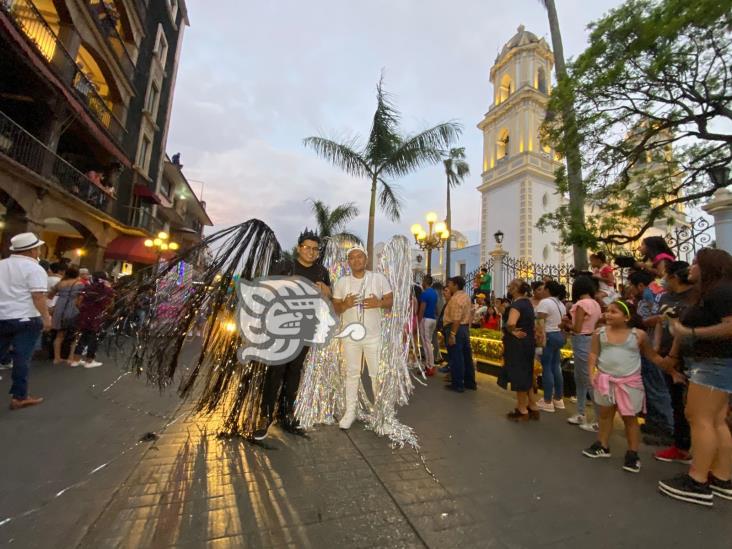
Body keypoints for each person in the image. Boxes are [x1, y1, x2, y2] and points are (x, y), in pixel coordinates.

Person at [659, 248, 732, 506]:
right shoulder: (712, 292)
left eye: (696, 262)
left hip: (713, 363)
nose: (690, 266)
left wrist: (690, 332)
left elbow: (729, 326)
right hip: (711, 363)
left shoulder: (721, 292)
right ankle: (722, 475)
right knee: (716, 420)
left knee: (700, 418)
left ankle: (698, 480)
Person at [256, 229, 331, 439]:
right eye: (307, 247)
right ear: (299, 248)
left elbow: (328, 298)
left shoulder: (321, 272)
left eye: (315, 249)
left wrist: (327, 291)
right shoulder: (285, 266)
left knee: (295, 372)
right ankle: (265, 415)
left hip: (306, 328)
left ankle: (286, 414)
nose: (311, 251)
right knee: (275, 371)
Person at [582, 300, 668, 474]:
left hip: (629, 384)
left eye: (614, 312)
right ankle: (602, 445)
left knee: (630, 418)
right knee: (605, 415)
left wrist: (671, 370)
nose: (607, 314)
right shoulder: (599, 333)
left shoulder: (638, 335)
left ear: (627, 317)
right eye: (607, 311)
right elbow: (593, 354)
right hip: (605, 381)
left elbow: (652, 356)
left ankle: (632, 453)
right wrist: (592, 372)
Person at [333, 246, 393, 429]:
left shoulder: (378, 279)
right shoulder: (342, 282)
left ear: (366, 260)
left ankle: (382, 415)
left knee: (376, 375)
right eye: (352, 258)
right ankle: (350, 412)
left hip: (373, 336)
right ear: (348, 262)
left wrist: (379, 303)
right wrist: (345, 303)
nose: (356, 260)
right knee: (351, 374)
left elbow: (390, 301)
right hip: (350, 337)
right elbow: (336, 308)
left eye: (360, 257)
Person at [0, 232, 51, 409]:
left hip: (2, 317)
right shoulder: (35, 269)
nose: (38, 251)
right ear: (31, 250)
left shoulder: (1, 265)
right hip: (26, 318)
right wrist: (46, 317)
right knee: (22, 358)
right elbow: (38, 296)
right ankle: (19, 396)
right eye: (37, 248)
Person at [653, 261, 695, 464]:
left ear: (674, 277)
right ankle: (681, 445)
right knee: (676, 401)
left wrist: (672, 355)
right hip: (666, 355)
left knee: (694, 406)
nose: (662, 278)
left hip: (688, 356)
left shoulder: (696, 295)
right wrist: (657, 348)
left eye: (665, 274)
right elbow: (661, 322)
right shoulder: (666, 297)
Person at [627, 269, 674, 440]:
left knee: (656, 387)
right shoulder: (654, 293)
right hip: (651, 345)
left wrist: (643, 321)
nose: (629, 288)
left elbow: (659, 318)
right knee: (651, 385)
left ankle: (666, 426)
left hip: (653, 345)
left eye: (631, 285)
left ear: (640, 285)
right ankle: (655, 421)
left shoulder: (650, 294)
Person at [498, 279, 538, 420]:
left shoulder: (516, 305)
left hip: (518, 344)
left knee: (519, 375)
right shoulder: (528, 303)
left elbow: (510, 323)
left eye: (510, 286)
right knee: (527, 373)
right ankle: (532, 405)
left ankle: (522, 409)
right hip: (528, 343)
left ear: (515, 289)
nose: (508, 288)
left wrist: (512, 331)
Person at [567, 275, 603, 430]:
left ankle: (598, 419)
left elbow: (577, 328)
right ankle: (581, 413)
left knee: (586, 380)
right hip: (593, 340)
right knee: (581, 377)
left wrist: (567, 325)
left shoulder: (581, 304)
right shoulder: (595, 303)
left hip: (581, 340)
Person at [69, 271, 115, 368]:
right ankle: (89, 361)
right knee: (94, 338)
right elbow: (111, 303)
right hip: (97, 316)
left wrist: (83, 309)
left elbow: (78, 302)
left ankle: (75, 360)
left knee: (83, 336)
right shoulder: (107, 289)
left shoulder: (88, 287)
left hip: (85, 315)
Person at [536, 280, 568, 412]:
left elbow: (540, 323)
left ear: (548, 290)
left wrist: (538, 343)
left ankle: (548, 400)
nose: (541, 290)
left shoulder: (545, 302)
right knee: (556, 366)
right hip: (558, 336)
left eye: (543, 288)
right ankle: (558, 398)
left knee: (547, 367)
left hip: (548, 336)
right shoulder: (560, 304)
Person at [442, 276, 476, 393]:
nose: (448, 286)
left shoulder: (456, 299)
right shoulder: (466, 296)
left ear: (456, 285)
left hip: (456, 328)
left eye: (450, 284)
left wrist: (452, 334)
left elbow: (456, 319)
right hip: (464, 328)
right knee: (466, 356)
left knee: (456, 357)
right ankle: (469, 382)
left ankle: (458, 384)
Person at [49, 266, 84, 365]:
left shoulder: (60, 284)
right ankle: (70, 358)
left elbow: (50, 295)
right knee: (74, 336)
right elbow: (81, 300)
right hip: (73, 309)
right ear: (77, 274)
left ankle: (57, 358)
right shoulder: (79, 284)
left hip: (60, 309)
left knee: (59, 335)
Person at [417, 275, 438, 375]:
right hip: (433, 319)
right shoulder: (435, 293)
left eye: (422, 281)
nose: (422, 283)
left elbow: (422, 309)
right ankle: (430, 364)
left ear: (425, 282)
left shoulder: (425, 294)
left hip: (426, 319)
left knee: (426, 343)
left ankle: (430, 366)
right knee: (428, 342)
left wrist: (418, 321)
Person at [431, 281, 446, 366]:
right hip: (440, 320)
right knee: (435, 339)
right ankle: (438, 356)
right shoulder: (441, 296)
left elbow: (439, 309)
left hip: (436, 319)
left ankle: (436, 357)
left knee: (434, 339)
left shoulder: (437, 296)